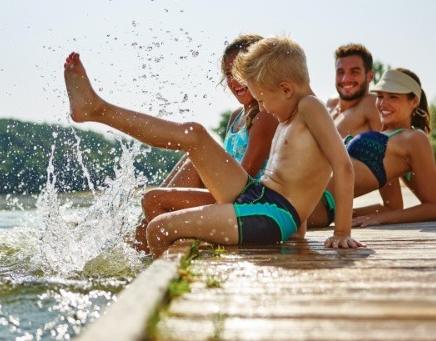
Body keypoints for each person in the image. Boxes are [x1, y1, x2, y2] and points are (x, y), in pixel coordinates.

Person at [64, 36, 365, 258]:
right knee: (194, 134)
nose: (262, 107)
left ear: (286, 88)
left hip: (272, 215)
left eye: (262, 99)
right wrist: (299, 228)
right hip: (259, 195)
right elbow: (298, 173)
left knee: (159, 228)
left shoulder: (311, 107)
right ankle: (97, 109)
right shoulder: (291, 112)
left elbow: (343, 166)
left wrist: (341, 233)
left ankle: (154, 296)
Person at [134, 34, 278, 252]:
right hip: (229, 195)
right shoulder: (236, 116)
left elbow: (245, 179)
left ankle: (151, 258)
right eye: (228, 74)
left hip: (248, 204)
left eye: (241, 71)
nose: (234, 80)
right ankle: (139, 248)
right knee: (190, 160)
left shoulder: (264, 115)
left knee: (154, 199)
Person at [308, 68, 436, 228]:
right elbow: (392, 205)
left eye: (393, 97)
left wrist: (384, 219)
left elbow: (433, 206)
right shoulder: (388, 137)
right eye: (380, 96)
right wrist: (348, 214)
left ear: (414, 101)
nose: (383, 103)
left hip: (318, 203)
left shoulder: (414, 138)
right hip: (309, 194)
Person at [317, 43, 401, 227]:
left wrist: (346, 213)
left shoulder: (372, 106)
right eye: (340, 72)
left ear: (369, 76)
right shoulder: (328, 105)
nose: (346, 78)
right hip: (300, 186)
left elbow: (389, 167)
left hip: (320, 203)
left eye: (354, 71)